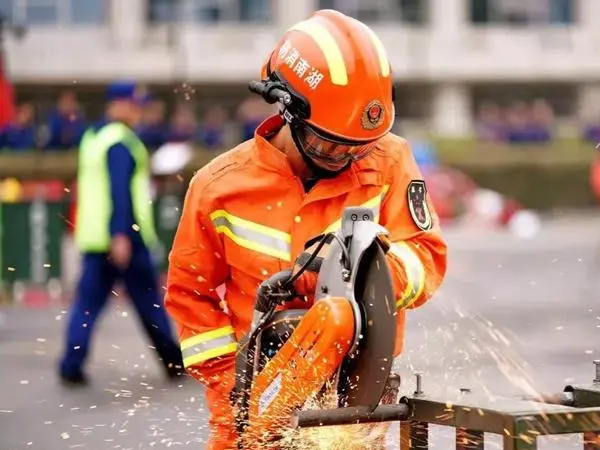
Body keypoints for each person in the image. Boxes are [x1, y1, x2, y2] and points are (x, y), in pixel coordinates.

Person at [164, 10, 448, 450]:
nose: (342, 157)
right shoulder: (217, 187)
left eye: (358, 147)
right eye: (327, 142)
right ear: (287, 107)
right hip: (253, 396)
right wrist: (233, 392)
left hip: (356, 402)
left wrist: (371, 278)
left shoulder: (389, 161)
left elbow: (426, 253)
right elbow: (190, 295)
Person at [58, 81, 183, 386]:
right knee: (148, 302)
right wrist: (121, 234)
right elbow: (120, 192)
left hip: (95, 238)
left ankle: (71, 365)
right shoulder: (121, 141)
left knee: (87, 304)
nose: (139, 110)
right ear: (120, 105)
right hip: (124, 235)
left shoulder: (93, 136)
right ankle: (173, 361)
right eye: (135, 104)